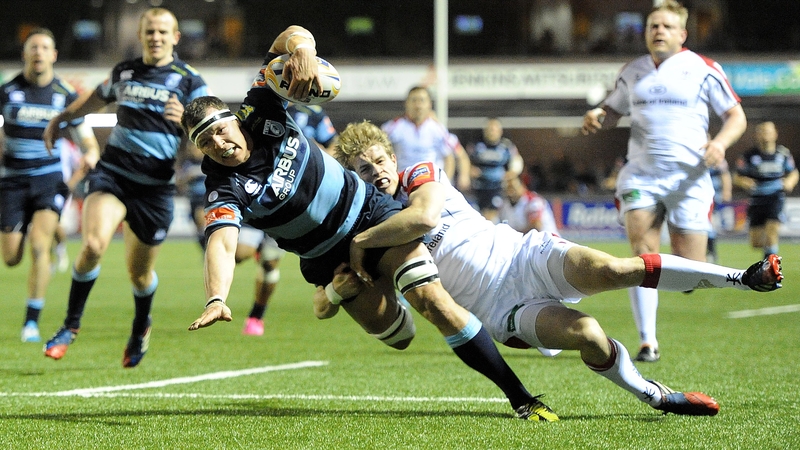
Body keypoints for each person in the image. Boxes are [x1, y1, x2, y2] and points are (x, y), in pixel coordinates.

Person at [181, 25, 552, 421]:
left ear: (233, 120)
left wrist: (303, 49)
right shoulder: (222, 186)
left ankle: (521, 398)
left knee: (433, 301)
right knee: (399, 337)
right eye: (205, 142)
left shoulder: (260, 108)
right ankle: (360, 294)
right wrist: (216, 297)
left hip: (370, 213)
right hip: (326, 259)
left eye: (219, 130)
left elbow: (288, 35)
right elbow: (221, 241)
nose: (218, 144)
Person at [321, 120, 783, 418]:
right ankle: (657, 396)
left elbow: (421, 218)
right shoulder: (366, 225)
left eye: (379, 160)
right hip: (500, 308)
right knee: (589, 334)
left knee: (614, 268)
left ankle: (743, 278)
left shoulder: (420, 174)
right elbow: (327, 307)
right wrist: (342, 290)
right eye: (362, 170)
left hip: (523, 254)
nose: (376, 171)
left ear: (393, 158)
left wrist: (360, 243)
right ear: (353, 180)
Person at [41, 8, 211, 368]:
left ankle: (140, 327)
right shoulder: (125, 71)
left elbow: (208, 136)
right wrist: (63, 117)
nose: (156, 37)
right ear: (141, 34)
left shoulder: (190, 80)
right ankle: (70, 325)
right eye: (150, 30)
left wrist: (187, 120)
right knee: (92, 245)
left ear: (175, 37)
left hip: (155, 189)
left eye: (163, 31)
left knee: (139, 274)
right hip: (113, 175)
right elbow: (94, 99)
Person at [581, 0, 748, 363]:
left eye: (666, 26)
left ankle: (683, 269)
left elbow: (736, 116)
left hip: (689, 180)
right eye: (653, 26)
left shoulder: (703, 69)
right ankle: (647, 341)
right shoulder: (633, 71)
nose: (658, 31)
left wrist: (720, 143)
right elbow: (612, 110)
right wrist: (599, 116)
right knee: (643, 256)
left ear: (682, 34)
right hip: (641, 176)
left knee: (690, 273)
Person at [0, 28, 101, 343]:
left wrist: (91, 154)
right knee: (11, 257)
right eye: (33, 47)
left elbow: (86, 139)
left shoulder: (66, 95)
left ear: (54, 55)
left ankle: (31, 322)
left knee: (38, 245)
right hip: (12, 181)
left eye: (45, 47)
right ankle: (53, 240)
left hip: (48, 179)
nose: (39, 52)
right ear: (25, 54)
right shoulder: (7, 91)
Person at [381, 86, 471, 192]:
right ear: (406, 104)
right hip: (403, 187)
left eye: (422, 100)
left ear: (429, 104)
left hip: (432, 186)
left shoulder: (437, 128)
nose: (418, 105)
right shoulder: (392, 128)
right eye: (414, 100)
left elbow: (455, 156)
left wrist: (457, 178)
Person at [733, 121, 799, 258]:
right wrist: (744, 181)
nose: (765, 135)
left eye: (768, 131)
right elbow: (736, 176)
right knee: (756, 242)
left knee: (771, 232)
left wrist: (789, 182)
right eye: (762, 131)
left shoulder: (783, 154)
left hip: (775, 197)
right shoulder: (749, 156)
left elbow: (793, 172)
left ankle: (771, 272)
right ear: (756, 135)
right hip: (756, 199)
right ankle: (769, 255)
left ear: (775, 134)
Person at [467, 118, 524, 222]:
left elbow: (517, 161)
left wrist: (511, 174)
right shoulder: (476, 145)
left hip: (498, 188)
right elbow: (466, 161)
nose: (492, 132)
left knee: (492, 216)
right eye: (489, 129)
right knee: (478, 216)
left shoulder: (506, 146)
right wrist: (469, 170)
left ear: (500, 131)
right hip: (478, 188)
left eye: (494, 129)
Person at [707, 158, 732, 263]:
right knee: (707, 223)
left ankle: (711, 252)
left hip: (712, 197)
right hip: (699, 195)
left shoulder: (715, 154)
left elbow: (724, 174)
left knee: (709, 222)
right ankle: (710, 252)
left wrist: (727, 191)